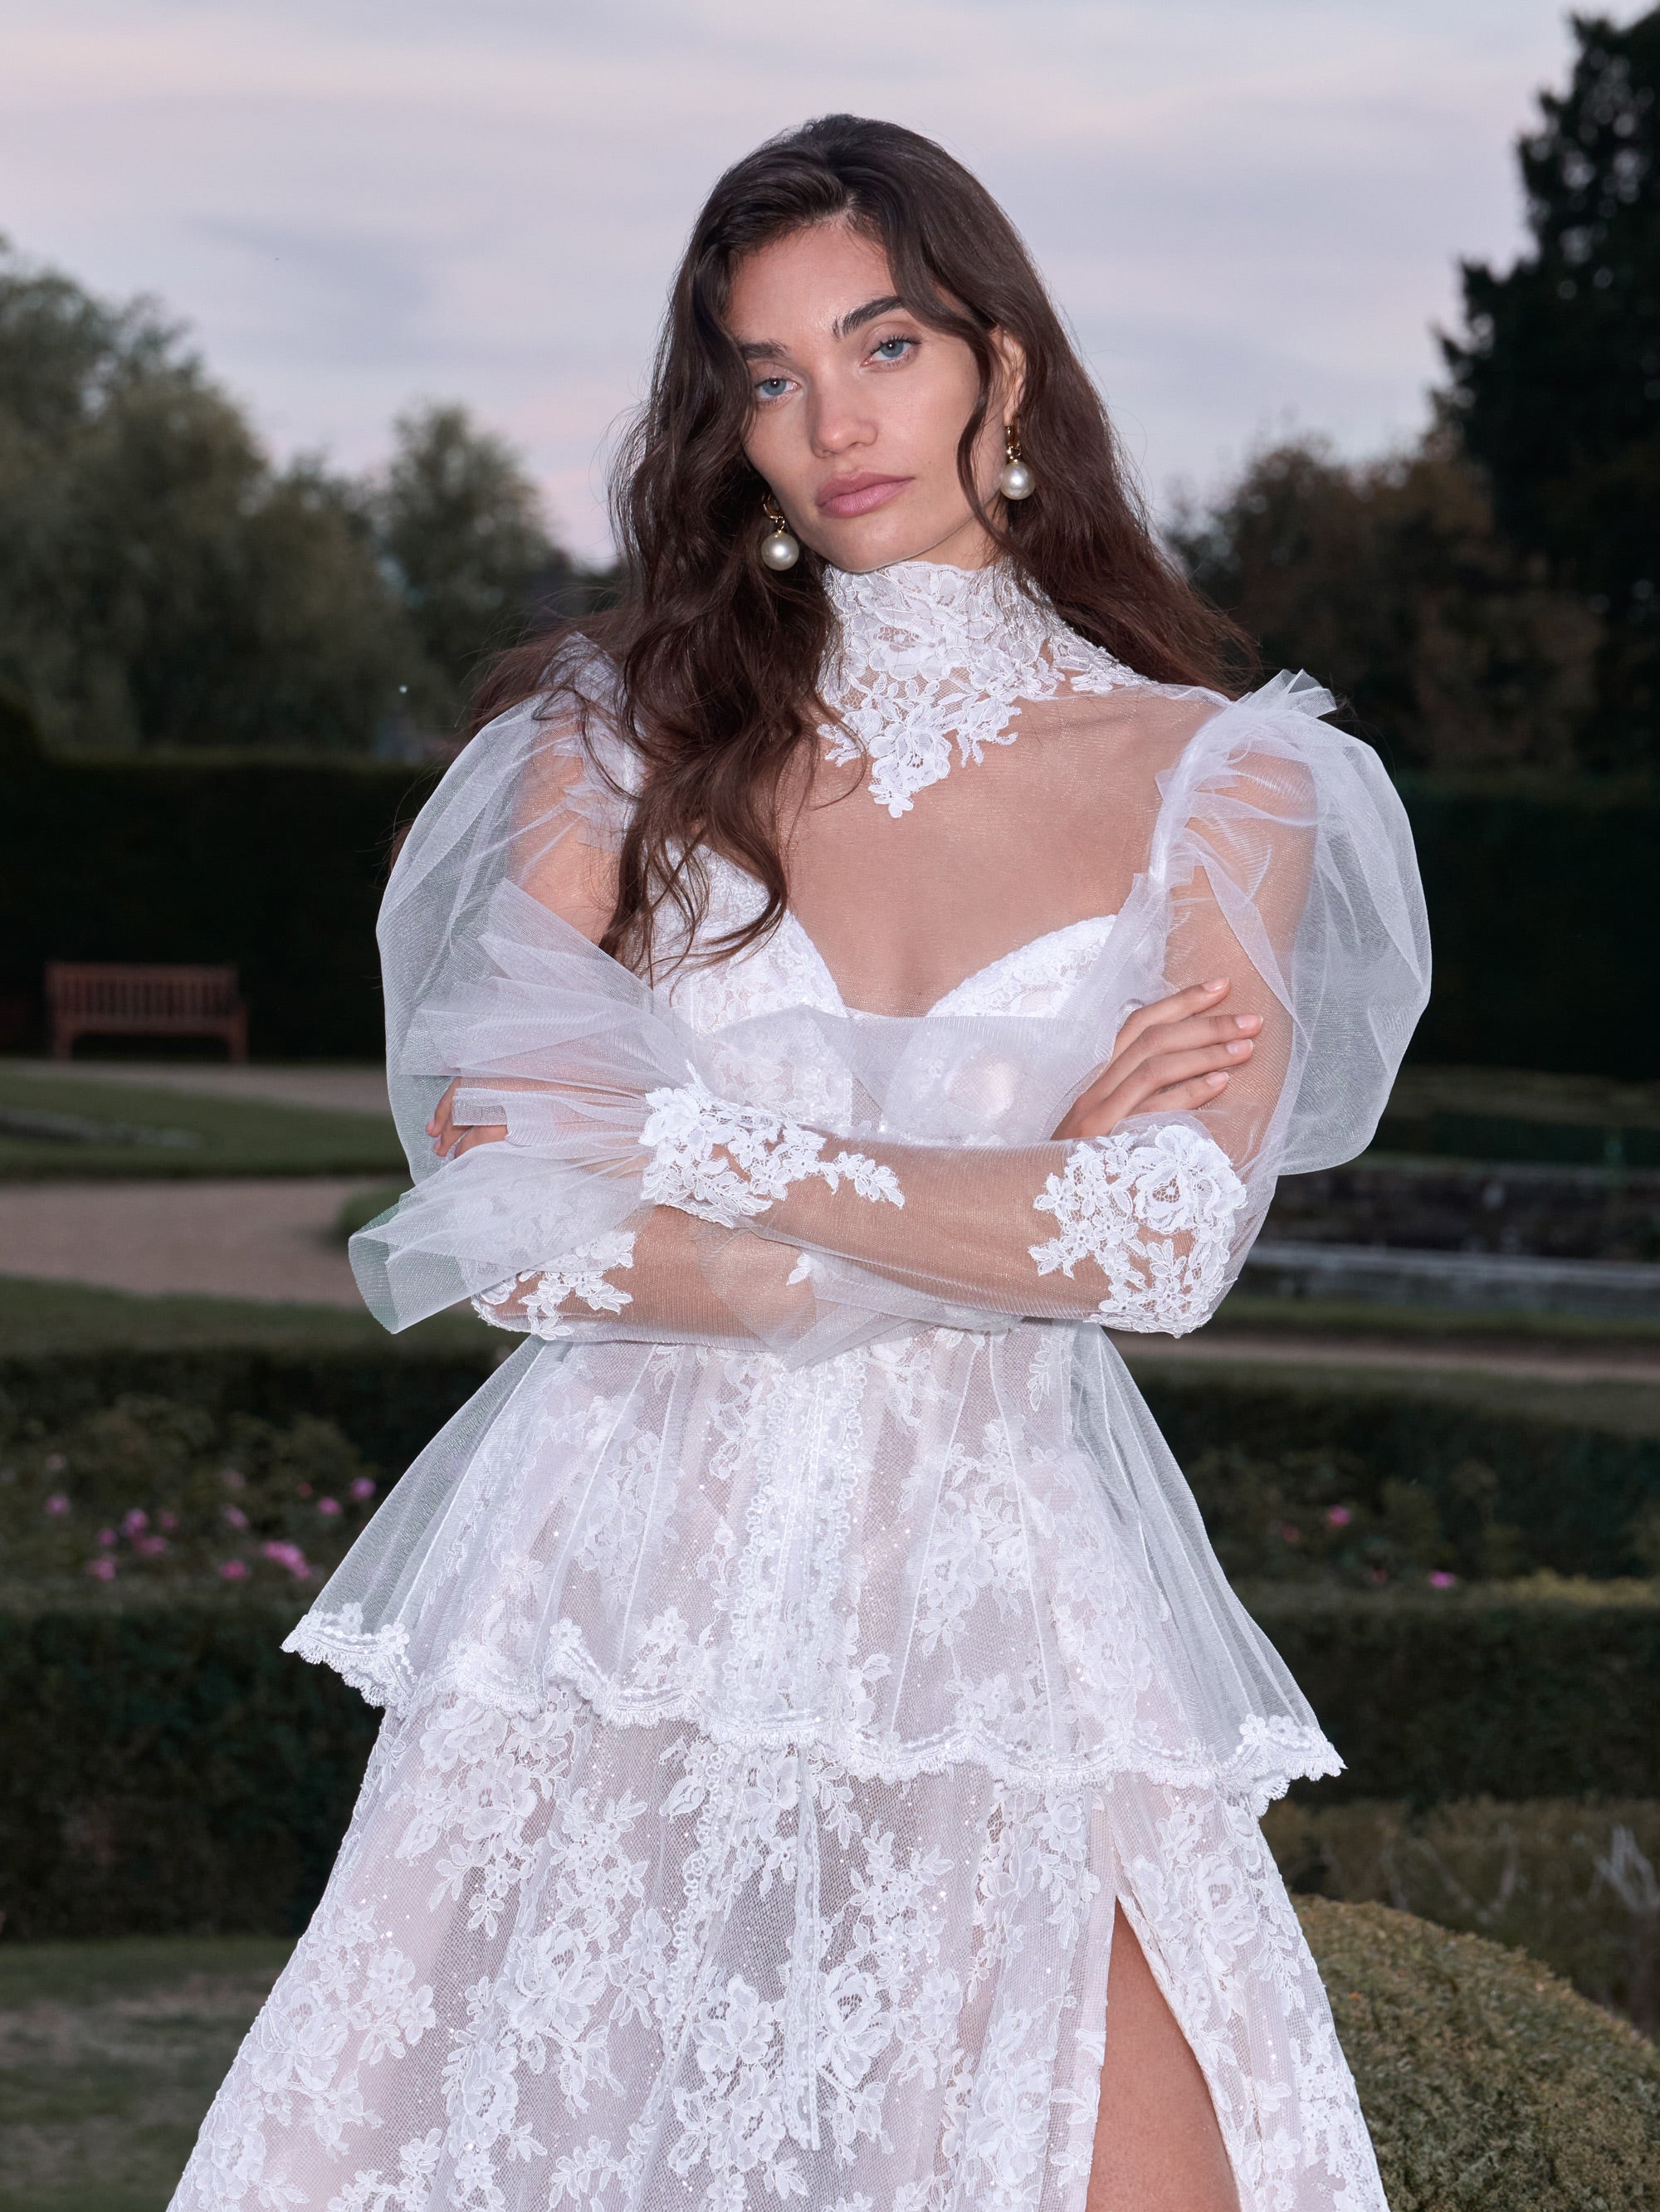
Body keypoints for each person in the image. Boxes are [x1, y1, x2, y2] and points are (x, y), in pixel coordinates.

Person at [172, 115, 1428, 2212]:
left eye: (885, 345)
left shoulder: (1227, 777)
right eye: (767, 375)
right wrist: (983, 1212)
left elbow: (1158, 1243)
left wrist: (684, 1137)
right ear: (725, 422)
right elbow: (496, 1217)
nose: (831, 419)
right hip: (617, 1587)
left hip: (1002, 1600)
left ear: (1001, 369)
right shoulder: (622, 731)